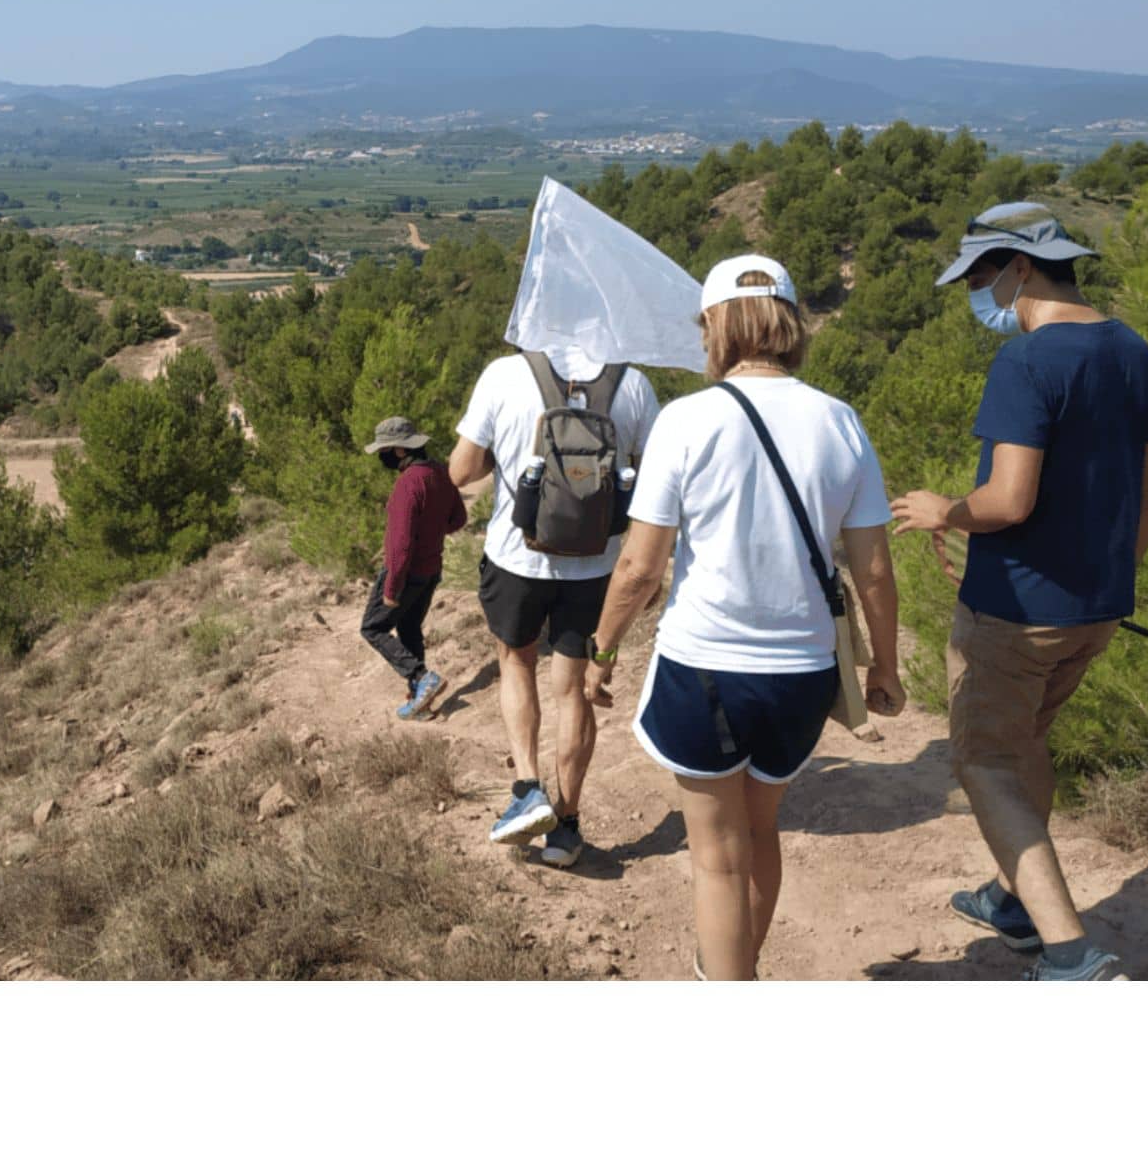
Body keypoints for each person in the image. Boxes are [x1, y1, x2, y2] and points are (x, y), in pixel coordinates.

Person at [588, 255, 903, 979]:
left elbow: (639, 568)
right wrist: (883, 667)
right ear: (789, 324)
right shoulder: (841, 421)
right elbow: (875, 570)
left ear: (719, 326)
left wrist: (601, 652)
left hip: (704, 668)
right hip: (802, 673)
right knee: (762, 831)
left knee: (717, 862)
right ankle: (742, 972)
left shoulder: (687, 420)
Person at [892, 201, 1148, 982]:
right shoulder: (1133, 351)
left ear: (1018, 266)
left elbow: (1009, 500)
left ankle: (1071, 953)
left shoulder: (1028, 363)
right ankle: (1014, 901)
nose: (978, 295)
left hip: (1016, 613)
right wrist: (1104, 578)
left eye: (980, 276)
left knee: (985, 764)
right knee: (1025, 745)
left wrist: (945, 512)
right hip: (1097, 610)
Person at [449, 344, 659, 868]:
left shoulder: (503, 374)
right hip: (595, 565)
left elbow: (461, 471)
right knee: (573, 692)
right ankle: (565, 828)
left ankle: (526, 789)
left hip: (517, 557)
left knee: (516, 663)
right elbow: (654, 479)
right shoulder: (632, 384)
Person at [359, 416, 468, 720]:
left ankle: (422, 678)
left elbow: (400, 546)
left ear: (398, 451)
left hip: (407, 573)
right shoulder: (440, 473)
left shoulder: (408, 484)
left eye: (383, 450)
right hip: (432, 569)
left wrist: (392, 587)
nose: (381, 457)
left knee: (372, 627)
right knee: (408, 628)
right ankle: (421, 702)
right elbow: (458, 519)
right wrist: (432, 531)